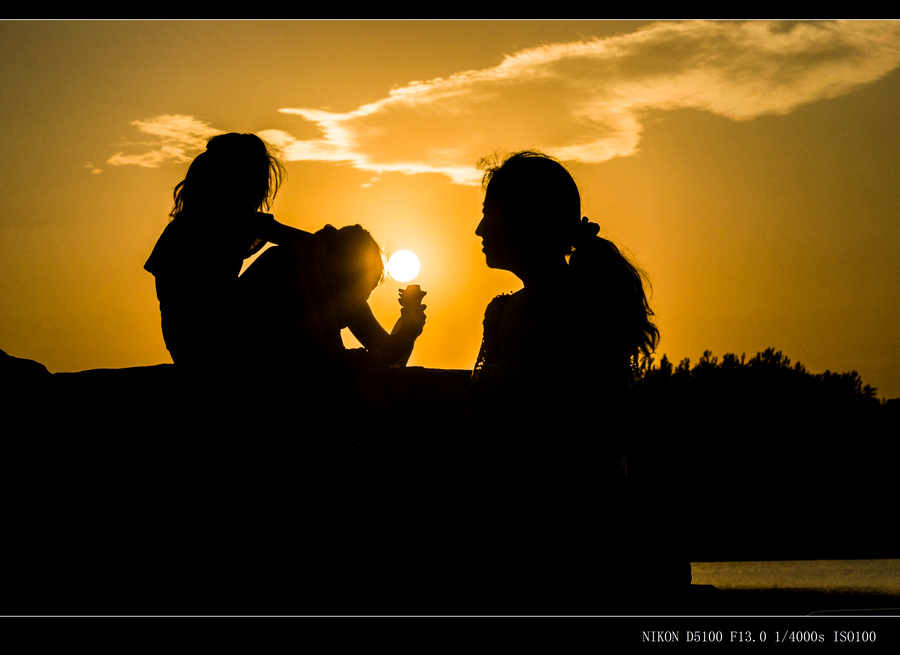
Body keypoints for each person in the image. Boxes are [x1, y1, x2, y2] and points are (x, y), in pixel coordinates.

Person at [457, 150, 678, 613]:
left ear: (523, 220)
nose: (479, 231)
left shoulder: (584, 312)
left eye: (487, 216)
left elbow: (577, 426)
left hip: (575, 525)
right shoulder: (500, 314)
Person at [144, 133, 426, 389]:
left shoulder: (233, 222)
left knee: (310, 267)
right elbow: (311, 246)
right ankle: (327, 355)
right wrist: (332, 244)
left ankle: (329, 355)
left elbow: (387, 353)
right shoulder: (196, 228)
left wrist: (410, 323)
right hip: (205, 346)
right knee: (283, 259)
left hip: (229, 334)